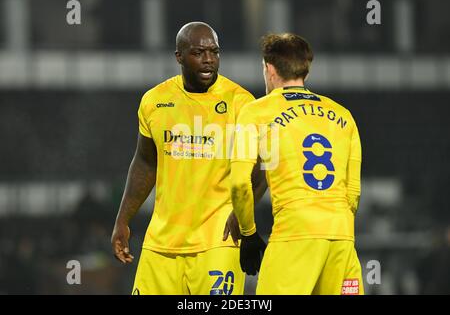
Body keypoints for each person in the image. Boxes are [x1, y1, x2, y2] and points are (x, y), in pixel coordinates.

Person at [110, 21, 266, 295]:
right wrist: (123, 219)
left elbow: (262, 167)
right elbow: (146, 161)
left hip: (218, 240)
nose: (208, 60)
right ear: (179, 56)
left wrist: (243, 214)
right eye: (198, 53)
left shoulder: (241, 103)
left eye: (214, 52)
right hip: (161, 242)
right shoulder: (154, 101)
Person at [230, 33, 364, 295]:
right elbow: (353, 193)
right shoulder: (343, 115)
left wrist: (248, 233)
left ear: (269, 69)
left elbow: (239, 184)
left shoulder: (257, 111)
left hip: (294, 235)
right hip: (342, 236)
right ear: (305, 69)